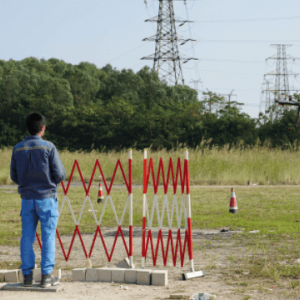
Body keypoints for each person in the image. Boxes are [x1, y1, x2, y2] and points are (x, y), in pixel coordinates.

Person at [10, 112, 66, 288]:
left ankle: (27, 276)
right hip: (47, 198)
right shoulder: (49, 147)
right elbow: (60, 174)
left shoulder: (18, 148)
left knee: (27, 236)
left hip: (27, 198)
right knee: (48, 235)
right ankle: (46, 277)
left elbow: (14, 175)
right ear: (43, 128)